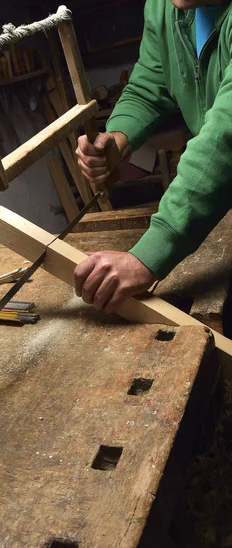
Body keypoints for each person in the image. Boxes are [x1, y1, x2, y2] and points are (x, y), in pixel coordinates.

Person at [75, 0, 228, 314]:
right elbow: (150, 84)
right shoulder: (165, 6)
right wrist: (119, 137)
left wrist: (147, 255)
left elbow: (225, 136)